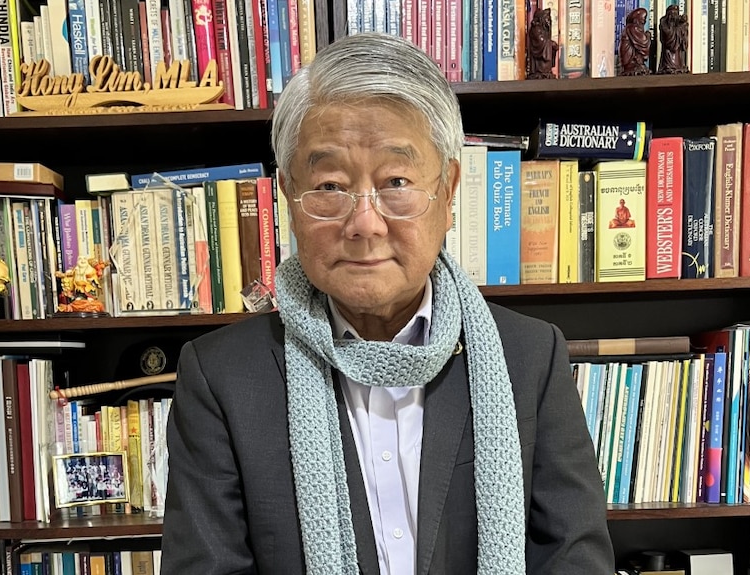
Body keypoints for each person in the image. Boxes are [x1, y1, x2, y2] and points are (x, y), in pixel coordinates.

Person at [161, 32, 614, 574]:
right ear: (288, 195)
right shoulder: (221, 376)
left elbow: (573, 558)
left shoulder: (529, 357)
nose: (364, 224)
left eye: (396, 181)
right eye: (329, 186)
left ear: (448, 191)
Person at [619, 7, 651, 76]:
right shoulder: (632, 28)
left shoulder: (633, 28)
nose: (644, 22)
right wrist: (648, 36)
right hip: (630, 59)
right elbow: (643, 42)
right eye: (642, 20)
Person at [658, 4, 689, 74]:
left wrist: (683, 25)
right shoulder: (663, 22)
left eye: (675, 13)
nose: (673, 15)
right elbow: (666, 34)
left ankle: (678, 66)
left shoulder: (679, 23)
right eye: (671, 13)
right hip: (668, 52)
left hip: (678, 53)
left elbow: (683, 37)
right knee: (668, 55)